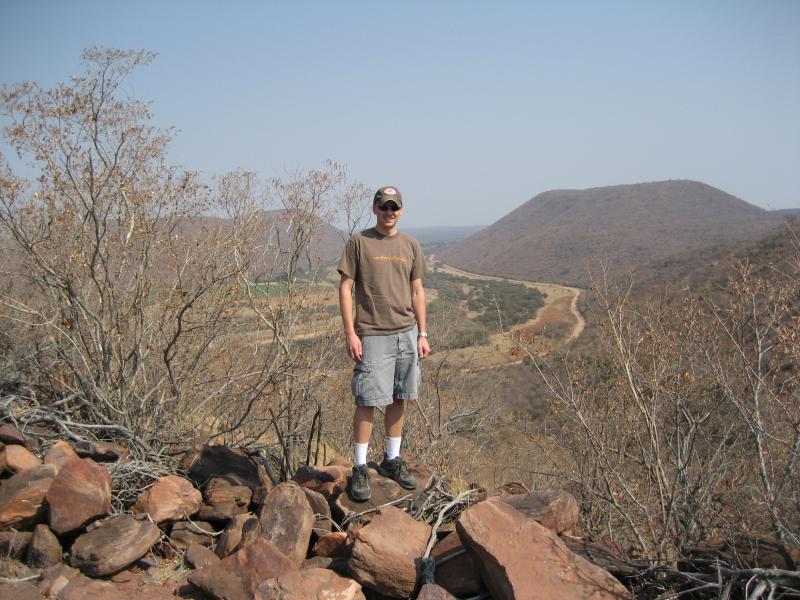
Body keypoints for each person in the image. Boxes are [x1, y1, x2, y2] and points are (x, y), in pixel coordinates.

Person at [337, 185, 431, 502]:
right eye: (384, 207)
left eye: (394, 207)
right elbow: (346, 289)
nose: (389, 212)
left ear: (401, 210)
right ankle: (360, 467)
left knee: (399, 396)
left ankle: (392, 460)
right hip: (372, 332)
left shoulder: (410, 245)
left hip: (406, 332)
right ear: (375, 208)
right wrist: (351, 333)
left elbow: (417, 291)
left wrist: (422, 333)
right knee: (366, 399)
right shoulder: (359, 243)